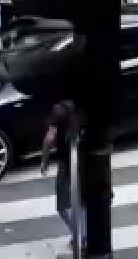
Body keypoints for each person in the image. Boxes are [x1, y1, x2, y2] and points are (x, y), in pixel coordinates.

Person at [41, 100, 84, 255]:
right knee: (82, 202)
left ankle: (80, 234)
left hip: (67, 163)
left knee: (62, 206)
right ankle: (84, 235)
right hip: (86, 161)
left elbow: (49, 139)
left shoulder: (58, 110)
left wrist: (44, 161)